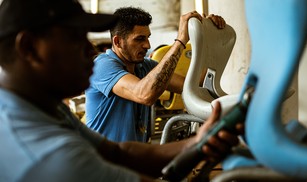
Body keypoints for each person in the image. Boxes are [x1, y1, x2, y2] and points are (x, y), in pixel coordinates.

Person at [0, 0, 244, 181]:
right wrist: (180, 41)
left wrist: (209, 43)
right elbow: (144, 94)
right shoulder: (55, 158)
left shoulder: (41, 107)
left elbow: (120, 152)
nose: (88, 50)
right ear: (29, 48)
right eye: (75, 38)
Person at [85, 6, 227, 142]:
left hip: (132, 159)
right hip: (101, 161)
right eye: (139, 39)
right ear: (118, 42)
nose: (147, 45)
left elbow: (192, 85)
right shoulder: (102, 65)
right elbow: (144, 94)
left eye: (147, 38)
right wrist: (180, 41)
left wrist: (207, 36)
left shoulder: (145, 66)